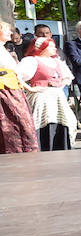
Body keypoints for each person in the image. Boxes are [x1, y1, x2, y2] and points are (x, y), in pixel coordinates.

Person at [17, 37, 78, 150]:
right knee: (43, 121)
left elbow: (67, 77)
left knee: (62, 120)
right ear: (41, 47)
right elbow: (17, 76)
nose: (54, 48)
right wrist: (30, 89)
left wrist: (60, 84)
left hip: (57, 96)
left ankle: (60, 146)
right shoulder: (32, 60)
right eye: (50, 46)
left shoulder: (57, 61)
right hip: (41, 96)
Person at [0, 20, 39, 154]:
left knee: (22, 122)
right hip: (4, 90)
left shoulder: (3, 48)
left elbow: (14, 73)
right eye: (6, 30)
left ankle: (24, 150)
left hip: (12, 89)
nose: (10, 32)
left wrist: (28, 88)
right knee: (11, 123)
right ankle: (14, 151)